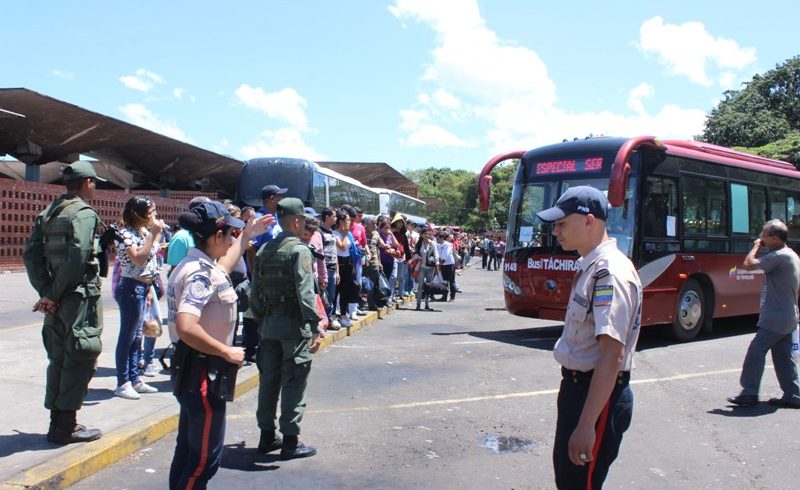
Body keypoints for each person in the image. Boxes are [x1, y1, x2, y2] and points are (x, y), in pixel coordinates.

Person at [536, 186, 642, 489]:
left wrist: (586, 423)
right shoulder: (591, 266)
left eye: (561, 223)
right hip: (579, 391)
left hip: (596, 397)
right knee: (569, 481)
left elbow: (612, 354)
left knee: (580, 484)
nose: (556, 232)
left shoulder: (610, 273)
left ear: (588, 221)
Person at [167, 200, 271, 489]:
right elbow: (187, 326)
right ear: (216, 236)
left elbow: (223, 266)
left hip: (193, 368)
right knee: (202, 461)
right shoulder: (200, 273)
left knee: (187, 451)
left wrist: (248, 234)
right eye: (230, 235)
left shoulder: (199, 265)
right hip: (202, 371)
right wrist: (226, 350)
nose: (232, 242)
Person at [23, 161, 105, 444]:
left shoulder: (49, 213)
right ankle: (66, 426)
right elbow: (79, 256)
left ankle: (56, 423)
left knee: (57, 359)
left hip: (56, 299)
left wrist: (46, 292)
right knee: (81, 356)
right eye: (94, 182)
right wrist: (54, 295)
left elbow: (31, 256)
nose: (94, 186)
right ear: (87, 184)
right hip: (78, 299)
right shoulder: (83, 214)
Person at [252, 197, 324, 460]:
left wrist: (262, 320)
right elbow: (306, 294)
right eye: (303, 220)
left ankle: (266, 437)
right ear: (296, 221)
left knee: (268, 382)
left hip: (269, 324)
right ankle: (291, 442)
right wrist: (315, 325)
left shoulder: (264, 251)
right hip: (293, 327)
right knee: (293, 381)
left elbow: (255, 294)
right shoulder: (300, 251)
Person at [727, 219, 800, 408]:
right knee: (784, 356)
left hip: (775, 317)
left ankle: (749, 392)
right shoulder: (790, 254)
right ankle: (793, 394)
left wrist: (756, 247)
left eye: (764, 235)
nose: (761, 237)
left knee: (756, 352)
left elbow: (748, 264)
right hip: (788, 315)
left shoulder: (779, 256)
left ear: (775, 238)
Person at [112, 196, 164, 399]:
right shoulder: (124, 233)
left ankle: (135, 378)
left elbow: (151, 256)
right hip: (131, 288)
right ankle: (122, 382)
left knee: (137, 337)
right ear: (138, 214)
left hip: (144, 287)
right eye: (151, 213)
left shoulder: (142, 232)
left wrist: (154, 236)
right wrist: (154, 235)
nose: (154, 216)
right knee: (127, 337)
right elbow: (139, 258)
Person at [413, 226, 440, 311]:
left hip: (430, 268)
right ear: (421, 235)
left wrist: (437, 266)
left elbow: (436, 255)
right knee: (420, 286)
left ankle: (427, 304)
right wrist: (418, 257)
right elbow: (415, 254)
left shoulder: (432, 243)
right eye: (425, 233)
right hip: (421, 267)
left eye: (428, 233)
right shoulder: (419, 244)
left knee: (428, 286)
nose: (427, 235)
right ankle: (418, 304)